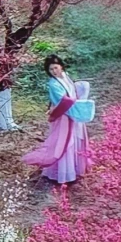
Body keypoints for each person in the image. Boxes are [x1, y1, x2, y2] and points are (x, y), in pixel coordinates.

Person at [21, 55, 94, 184]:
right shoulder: (53, 83)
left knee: (75, 141)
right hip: (64, 115)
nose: (54, 71)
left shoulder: (65, 76)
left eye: (56, 68)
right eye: (51, 69)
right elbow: (63, 101)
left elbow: (72, 92)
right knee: (65, 143)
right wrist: (77, 104)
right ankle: (65, 173)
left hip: (72, 113)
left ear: (61, 67)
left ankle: (76, 169)